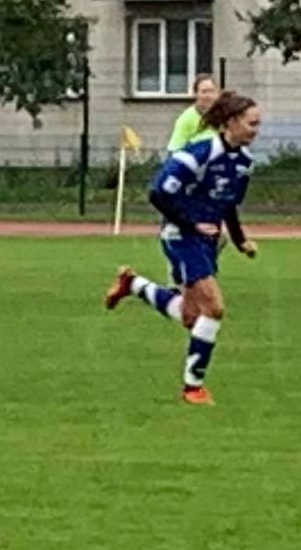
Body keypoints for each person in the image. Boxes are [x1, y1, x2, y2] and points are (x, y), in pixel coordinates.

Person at [104, 91, 261, 406]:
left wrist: (239, 239)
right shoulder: (198, 154)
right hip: (181, 236)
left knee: (191, 317)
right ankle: (193, 388)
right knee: (214, 308)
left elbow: (228, 204)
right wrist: (191, 224)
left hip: (206, 240)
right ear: (231, 122)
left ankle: (132, 284)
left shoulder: (244, 163)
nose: (256, 130)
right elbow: (157, 194)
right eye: (251, 123)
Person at [166, 73, 220, 154]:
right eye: (204, 92)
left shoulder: (224, 114)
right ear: (195, 94)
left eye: (212, 91)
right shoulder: (186, 119)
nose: (208, 96)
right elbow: (174, 150)